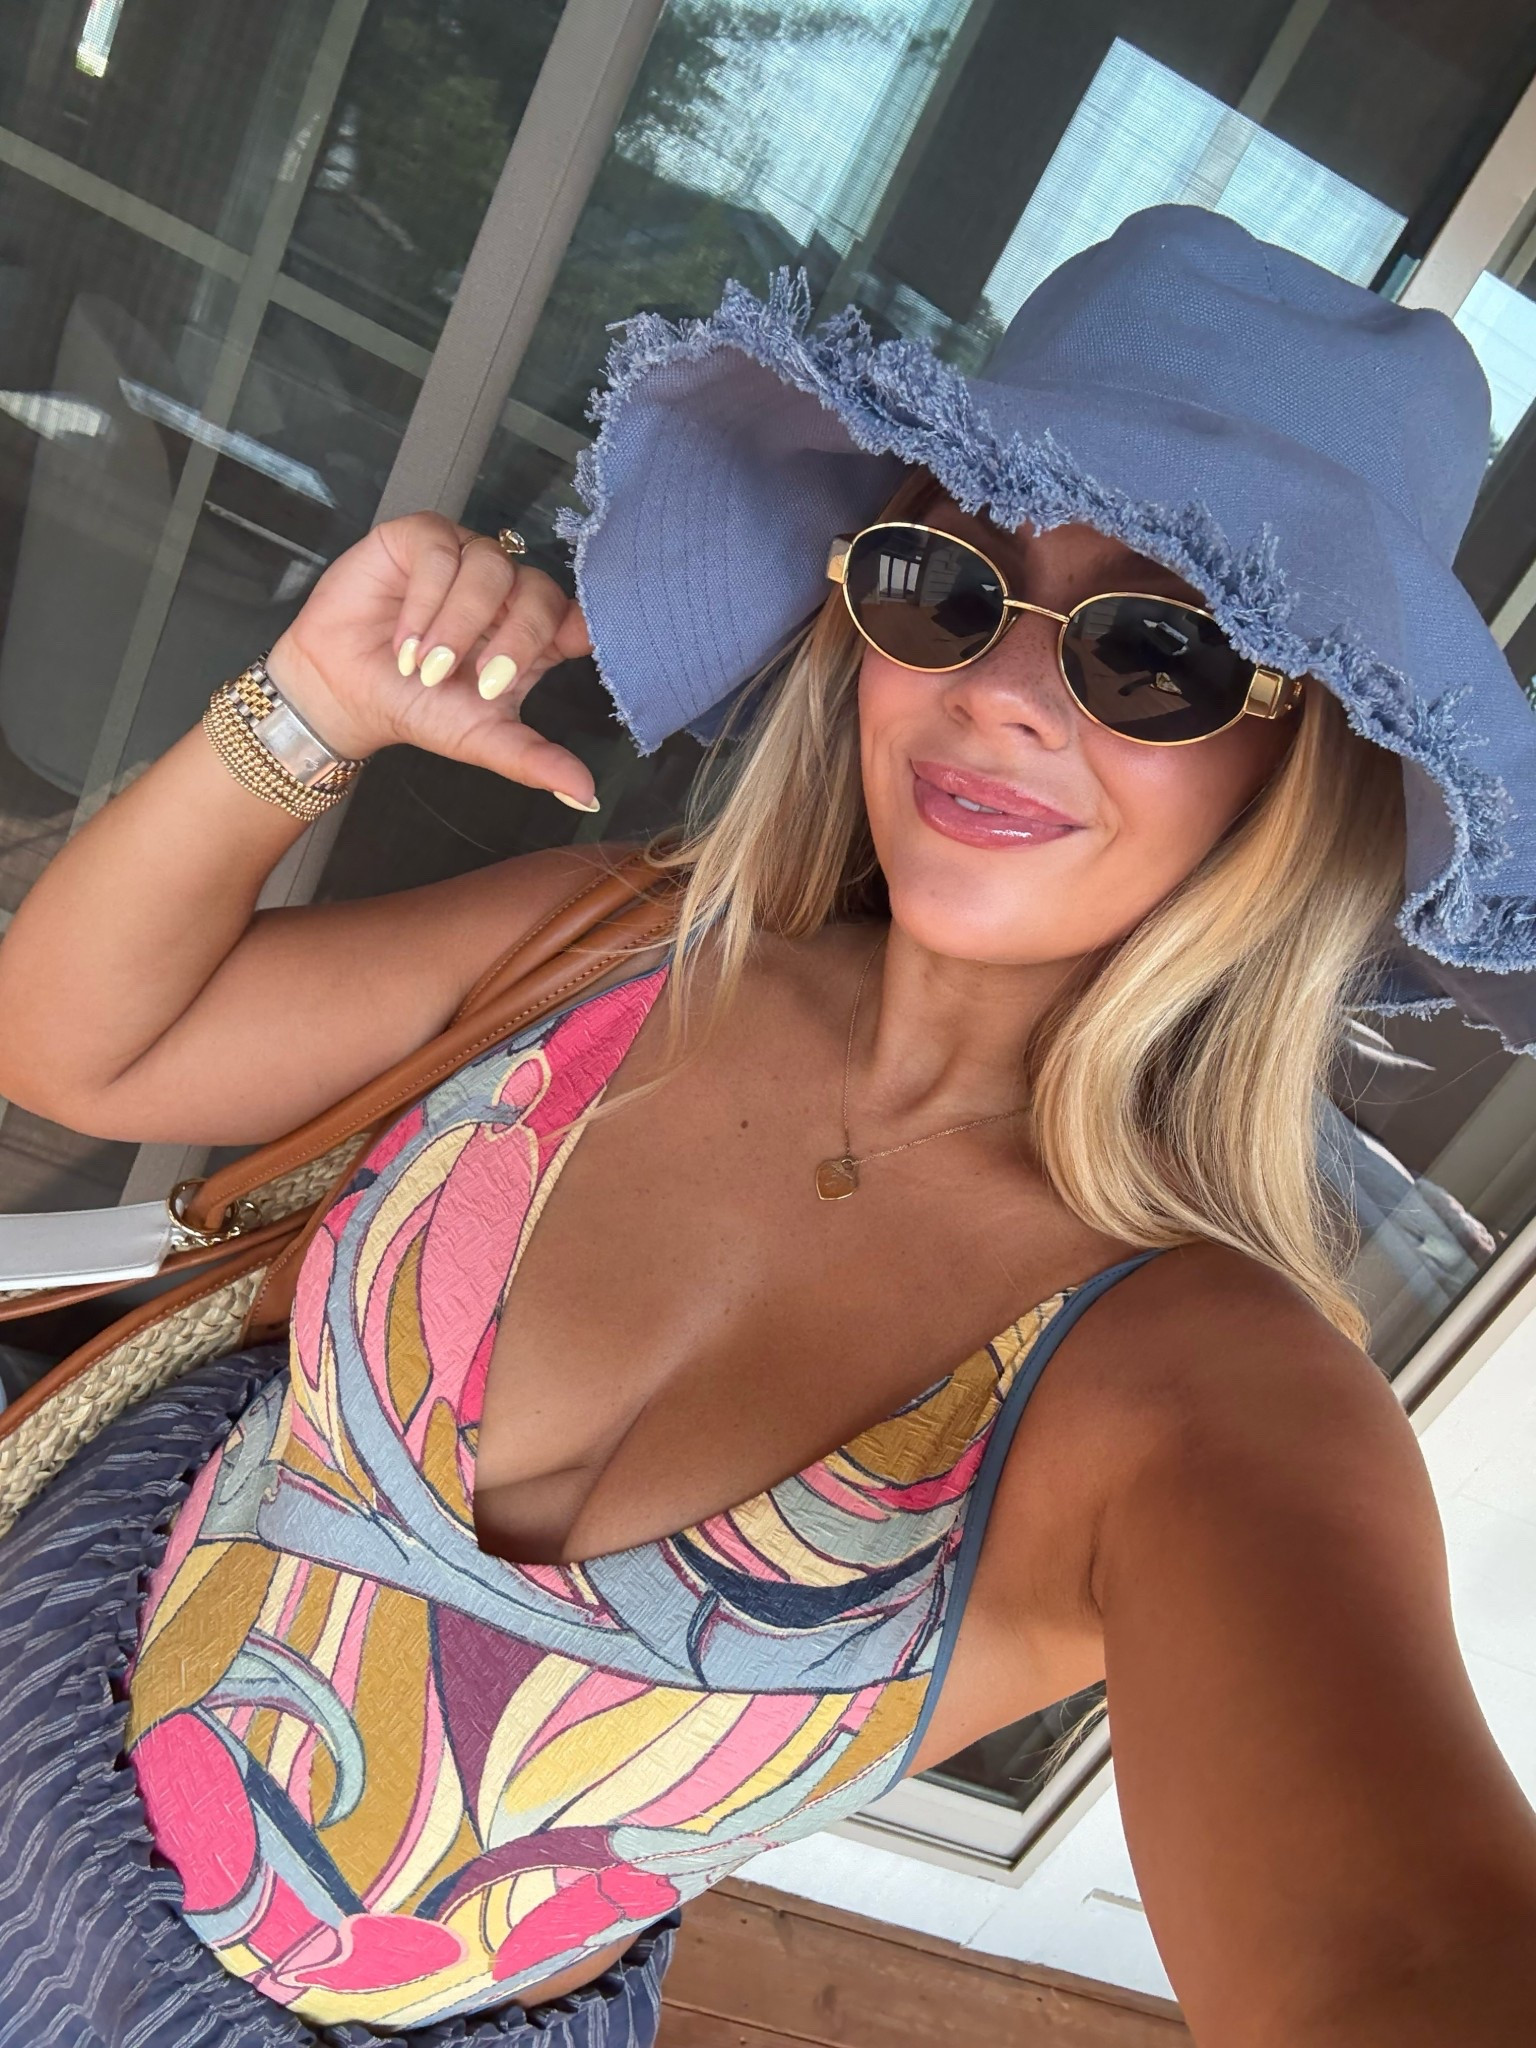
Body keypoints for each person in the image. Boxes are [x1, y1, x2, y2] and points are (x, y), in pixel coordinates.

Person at [2, 202, 1535, 2047]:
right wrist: (313, 707)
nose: (998, 691)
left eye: (1156, 652)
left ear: (1310, 761)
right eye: (945, 584)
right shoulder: (616, 950)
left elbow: (1401, 1959)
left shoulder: (1204, 1389)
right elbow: (82, 1052)